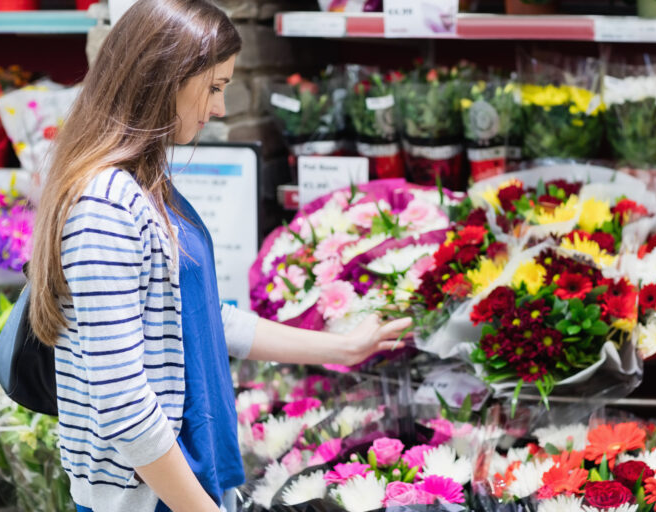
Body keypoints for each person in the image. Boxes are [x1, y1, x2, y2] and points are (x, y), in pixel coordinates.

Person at [27, 1, 411, 511]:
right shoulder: (105, 206)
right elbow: (121, 403)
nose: (220, 108)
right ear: (162, 75)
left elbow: (203, 318)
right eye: (213, 87)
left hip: (177, 483)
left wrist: (342, 348)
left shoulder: (143, 186)